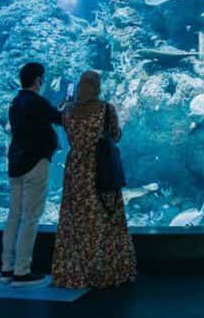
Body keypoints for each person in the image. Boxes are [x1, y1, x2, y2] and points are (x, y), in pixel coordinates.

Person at [52, 71, 136, 289]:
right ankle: (105, 271)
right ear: (97, 86)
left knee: (75, 217)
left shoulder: (68, 110)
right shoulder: (106, 109)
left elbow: (65, 129)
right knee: (104, 215)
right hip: (101, 168)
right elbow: (116, 135)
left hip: (76, 169)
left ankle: (74, 271)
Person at [1, 62, 63, 287]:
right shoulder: (36, 101)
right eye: (42, 79)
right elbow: (59, 118)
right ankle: (22, 271)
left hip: (16, 163)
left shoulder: (15, 102)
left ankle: (6, 268)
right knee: (31, 217)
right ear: (38, 80)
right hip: (35, 162)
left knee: (14, 216)